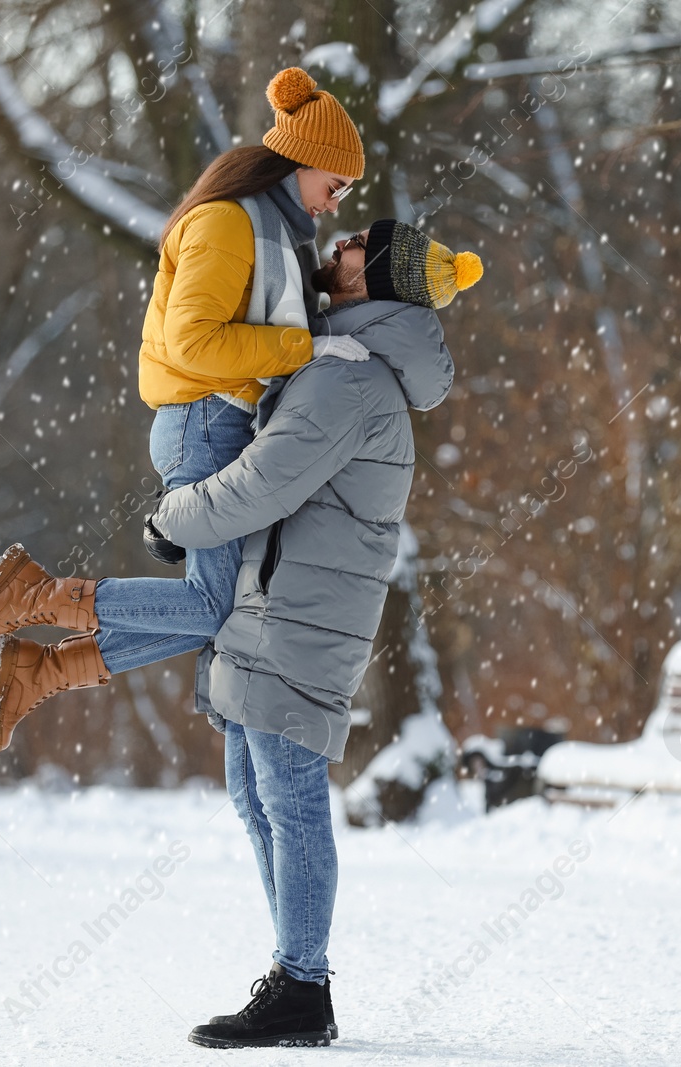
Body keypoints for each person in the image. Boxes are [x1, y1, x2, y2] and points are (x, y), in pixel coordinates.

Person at [0, 67, 368, 756]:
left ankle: (43, 666)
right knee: (213, 608)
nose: (336, 201)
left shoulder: (272, 232)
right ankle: (35, 598)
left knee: (217, 611)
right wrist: (306, 348)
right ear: (304, 161)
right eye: (336, 183)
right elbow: (193, 341)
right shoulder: (228, 222)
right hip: (204, 421)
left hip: (219, 423)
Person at [147, 220, 482, 1049]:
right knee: (256, 796)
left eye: (356, 246)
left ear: (380, 282)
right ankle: (295, 974)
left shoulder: (352, 382)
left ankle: (303, 982)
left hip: (300, 615)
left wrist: (171, 518)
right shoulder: (338, 362)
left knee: (290, 800)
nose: (337, 246)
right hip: (277, 603)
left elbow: (261, 484)